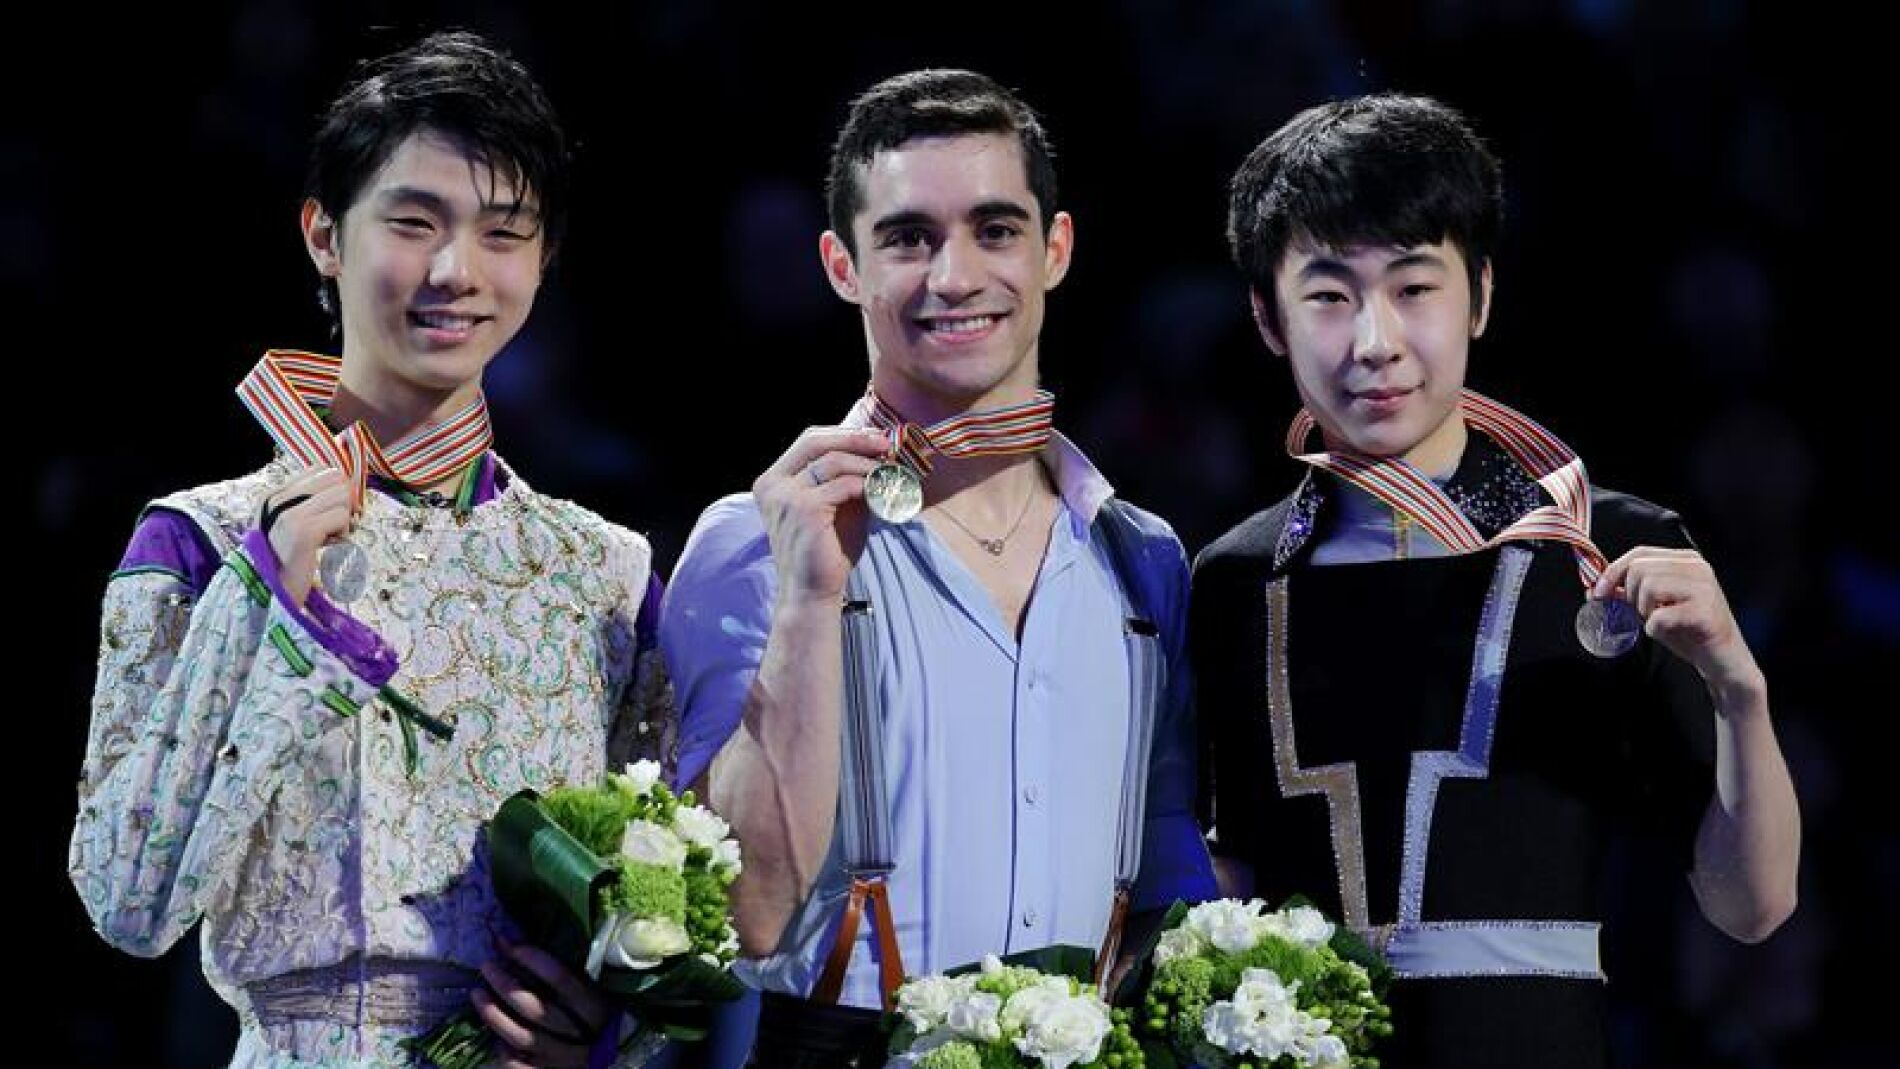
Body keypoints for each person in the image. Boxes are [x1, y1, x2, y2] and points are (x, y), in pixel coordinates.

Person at [69, 31, 670, 1069]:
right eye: (413, 222)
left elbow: (671, 917)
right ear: (324, 235)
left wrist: (607, 1027)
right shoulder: (199, 540)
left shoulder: (605, 572)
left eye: (503, 232)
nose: (454, 271)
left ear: (543, 259)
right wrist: (265, 594)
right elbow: (128, 898)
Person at [1192, 92, 1801, 1068]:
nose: (1375, 341)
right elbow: (1219, 881)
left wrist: (1739, 688)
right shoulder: (1233, 579)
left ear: (1478, 294)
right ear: (1268, 316)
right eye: (1329, 296)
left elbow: (1751, 906)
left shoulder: (1607, 551)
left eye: (1413, 287)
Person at [660, 69, 1216, 1067]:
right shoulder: (754, 545)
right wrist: (809, 600)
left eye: (995, 230)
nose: (954, 276)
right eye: (909, 238)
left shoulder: (1140, 557)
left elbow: (1167, 877)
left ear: (1055, 249)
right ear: (843, 265)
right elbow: (743, 914)